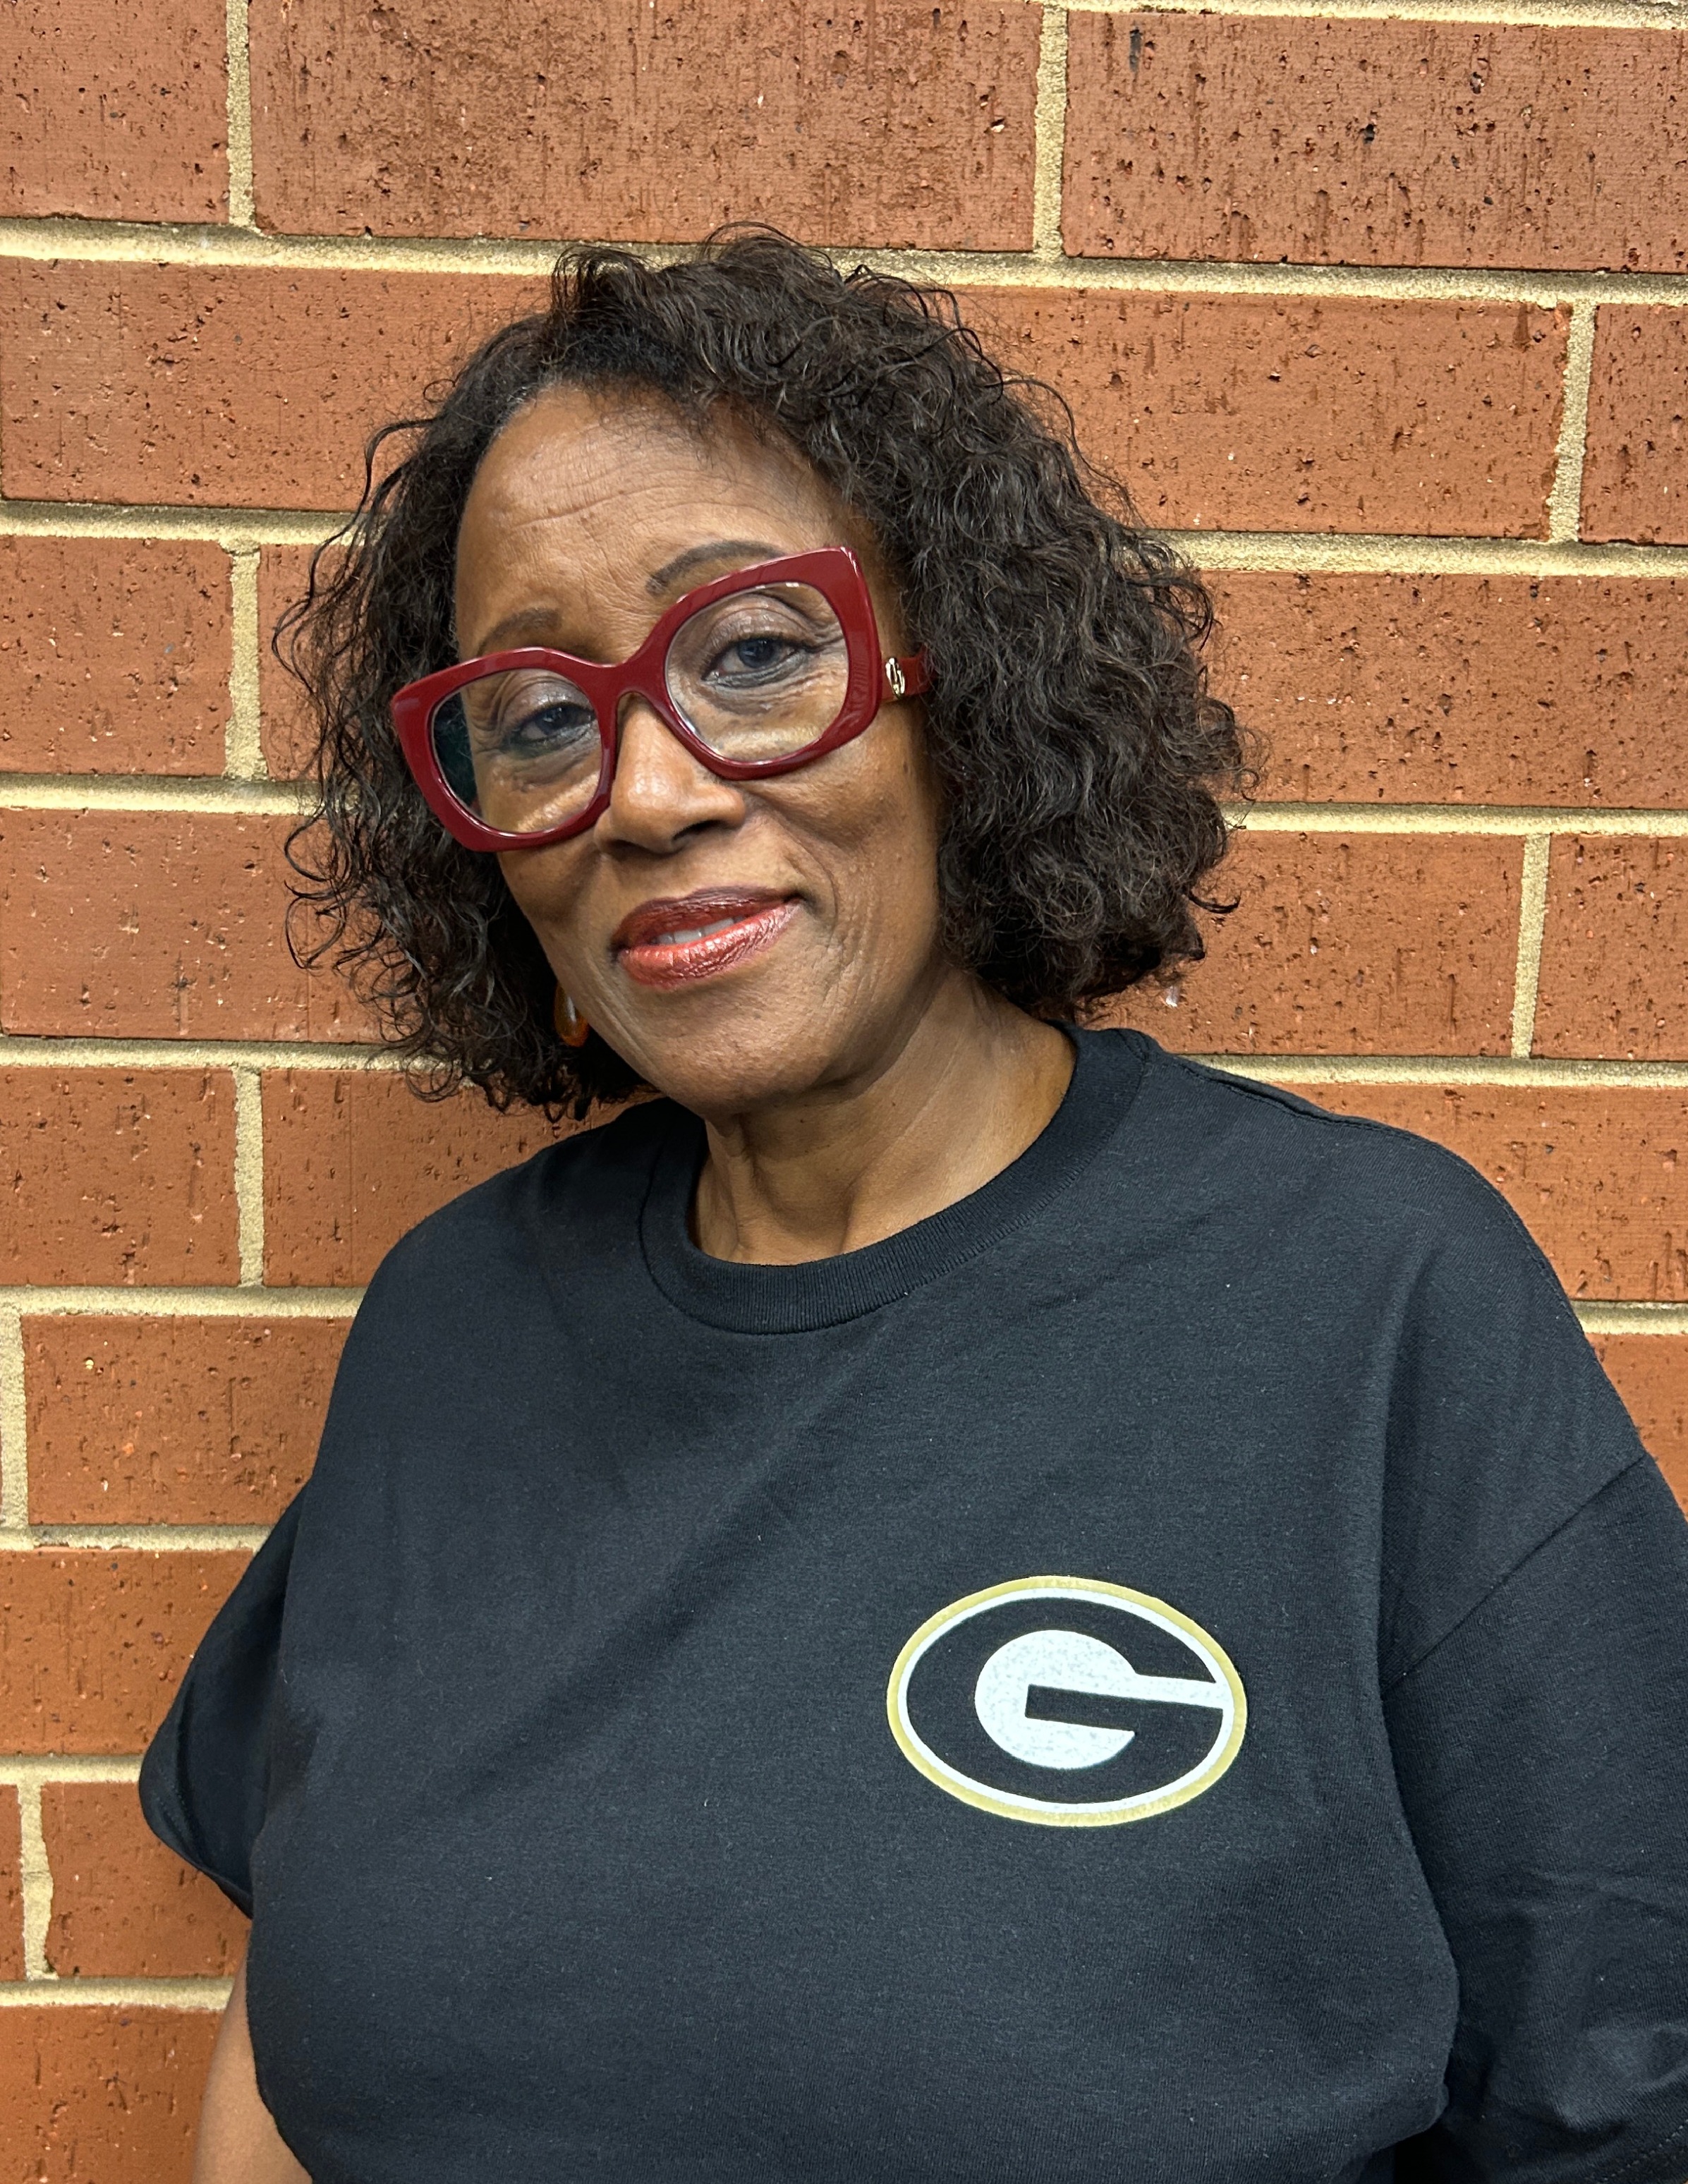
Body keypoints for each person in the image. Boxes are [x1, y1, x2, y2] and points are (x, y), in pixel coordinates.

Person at [142, 233, 1688, 2184]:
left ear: (955, 686)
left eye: (753, 654)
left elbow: (1621, 2101)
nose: (645, 791)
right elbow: (288, 2040)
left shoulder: (1368, 1302)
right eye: (536, 714)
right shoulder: (452, 1324)